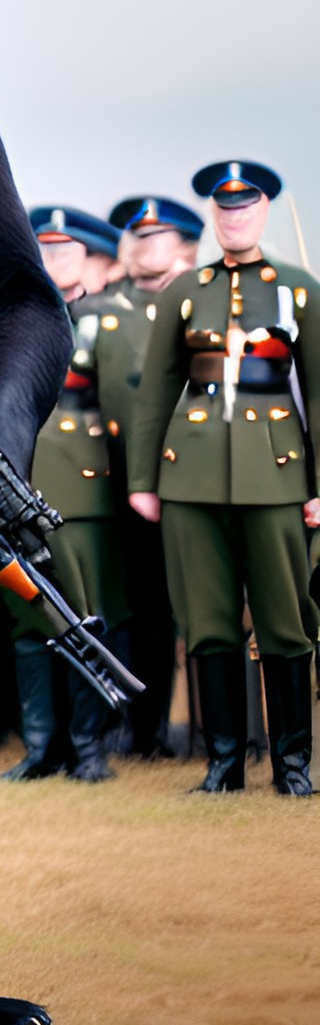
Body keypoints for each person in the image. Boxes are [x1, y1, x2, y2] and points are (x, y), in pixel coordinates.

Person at [128, 161, 320, 795]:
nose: (234, 215)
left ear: (264, 211)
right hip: (192, 478)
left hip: (277, 475)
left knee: (284, 621)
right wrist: (142, 480)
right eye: (224, 206)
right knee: (207, 622)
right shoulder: (186, 289)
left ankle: (293, 765)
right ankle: (223, 766)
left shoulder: (297, 288)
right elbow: (155, 391)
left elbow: (317, 394)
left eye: (246, 204)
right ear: (214, 214)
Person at [0, 208, 129, 783]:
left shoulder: (105, 319)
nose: (53, 262)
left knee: (85, 618)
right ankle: (40, 748)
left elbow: (130, 410)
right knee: (30, 622)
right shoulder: (10, 319)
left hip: (83, 490)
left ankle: (88, 749)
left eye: (65, 251)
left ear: (87, 260)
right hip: (16, 485)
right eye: (44, 250)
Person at [102, 195, 204, 757]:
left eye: (156, 235)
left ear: (186, 245)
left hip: (195, 474)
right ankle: (145, 729)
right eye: (136, 237)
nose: (142, 244)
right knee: (139, 604)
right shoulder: (100, 310)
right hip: (119, 479)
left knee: (199, 605)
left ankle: (222, 734)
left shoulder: (202, 304)